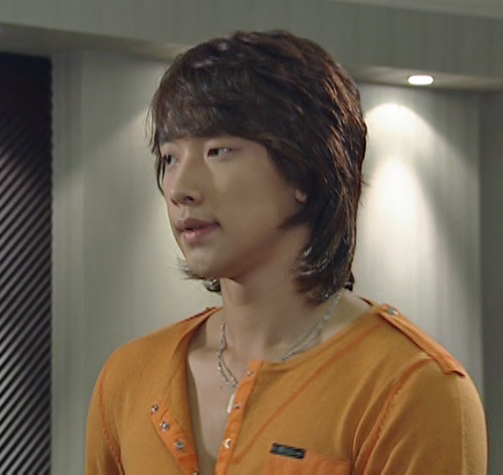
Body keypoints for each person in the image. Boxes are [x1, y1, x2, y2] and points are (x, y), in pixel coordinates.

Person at [84, 30, 487, 474]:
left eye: (218, 151)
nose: (180, 188)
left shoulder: (410, 388)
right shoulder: (129, 378)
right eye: (169, 159)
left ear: (303, 173)